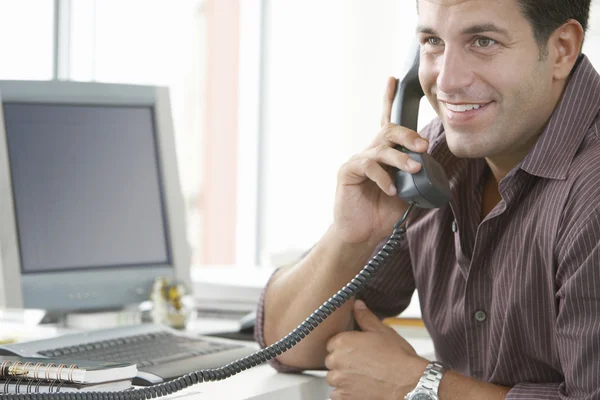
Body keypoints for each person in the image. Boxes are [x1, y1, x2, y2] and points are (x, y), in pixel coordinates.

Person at [255, 0, 600, 398]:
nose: (447, 81)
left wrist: (421, 385)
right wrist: (351, 238)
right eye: (433, 41)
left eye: (483, 41)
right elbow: (291, 346)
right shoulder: (434, 161)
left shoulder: (590, 193)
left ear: (562, 49)